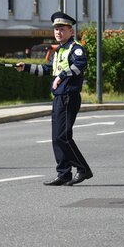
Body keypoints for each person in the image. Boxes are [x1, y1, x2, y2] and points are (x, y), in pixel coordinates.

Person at [16, 11, 93, 186]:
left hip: (69, 96)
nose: (58, 32)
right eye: (56, 29)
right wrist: (25, 67)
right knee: (56, 137)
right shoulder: (59, 51)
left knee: (63, 137)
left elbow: (80, 65)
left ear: (71, 31)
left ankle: (83, 169)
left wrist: (62, 76)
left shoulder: (75, 48)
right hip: (59, 97)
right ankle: (64, 173)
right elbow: (47, 70)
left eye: (62, 29)